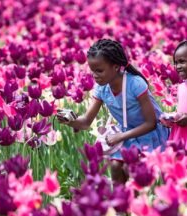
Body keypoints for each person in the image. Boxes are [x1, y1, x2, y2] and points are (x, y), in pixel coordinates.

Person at [58, 39, 169, 184]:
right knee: (116, 166)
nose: (95, 75)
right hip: (126, 134)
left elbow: (151, 123)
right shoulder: (102, 88)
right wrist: (70, 121)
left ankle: (137, 202)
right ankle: (121, 202)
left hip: (148, 134)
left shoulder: (135, 84)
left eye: (99, 70)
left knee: (131, 169)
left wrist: (120, 136)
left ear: (116, 67)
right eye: (93, 71)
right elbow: (85, 122)